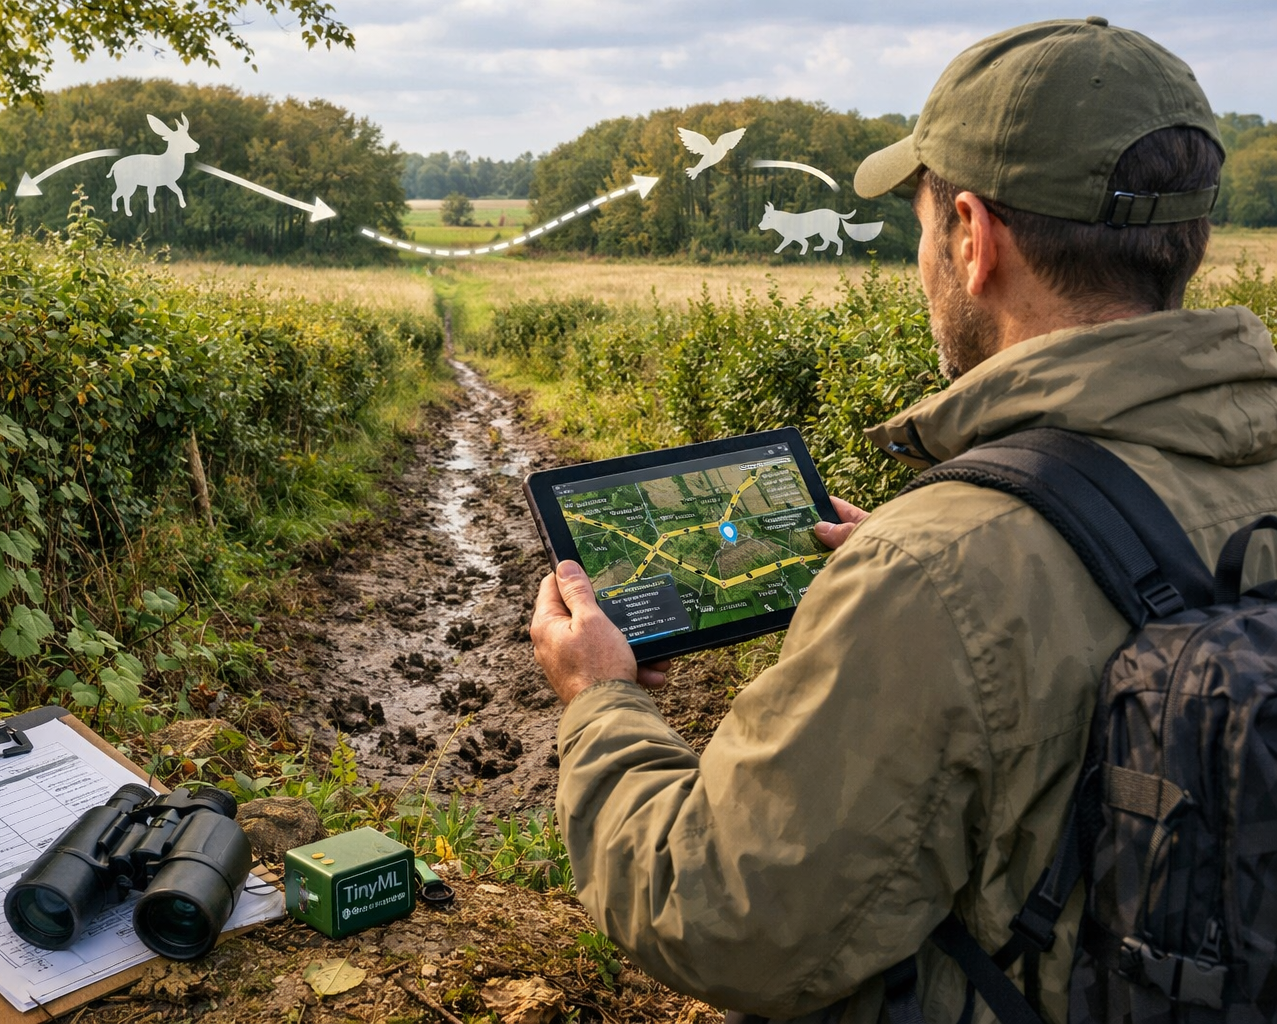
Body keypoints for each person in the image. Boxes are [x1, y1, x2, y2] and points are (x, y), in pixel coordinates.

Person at [529, 17, 1277, 1024]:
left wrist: (599, 702)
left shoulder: (938, 570)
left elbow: (717, 915)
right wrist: (976, 557)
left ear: (974, 237)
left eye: (922, 224)